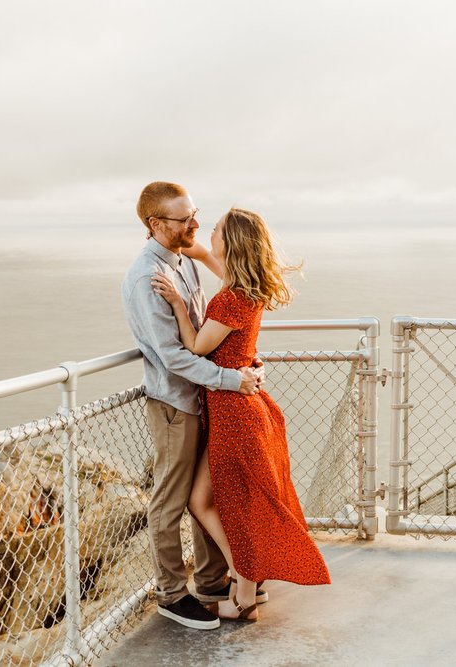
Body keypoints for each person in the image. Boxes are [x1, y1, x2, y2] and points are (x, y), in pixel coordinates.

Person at [151, 207, 331, 622]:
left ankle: (245, 589)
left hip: (235, 414)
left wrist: (178, 303)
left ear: (230, 242)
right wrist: (177, 234)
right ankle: (244, 578)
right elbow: (204, 254)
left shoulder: (231, 298)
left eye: (213, 229)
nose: (206, 232)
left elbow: (196, 347)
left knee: (216, 502)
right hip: (243, 410)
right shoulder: (244, 285)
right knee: (218, 502)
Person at [121, 182, 264, 630]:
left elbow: (206, 330)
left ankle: (210, 580)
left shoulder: (181, 261)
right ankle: (171, 593)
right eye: (185, 220)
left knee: (210, 491)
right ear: (155, 225)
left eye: (195, 214)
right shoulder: (148, 277)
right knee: (171, 498)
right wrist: (232, 380)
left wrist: (242, 363)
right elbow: (174, 357)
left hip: (205, 398)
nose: (195, 224)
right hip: (175, 404)